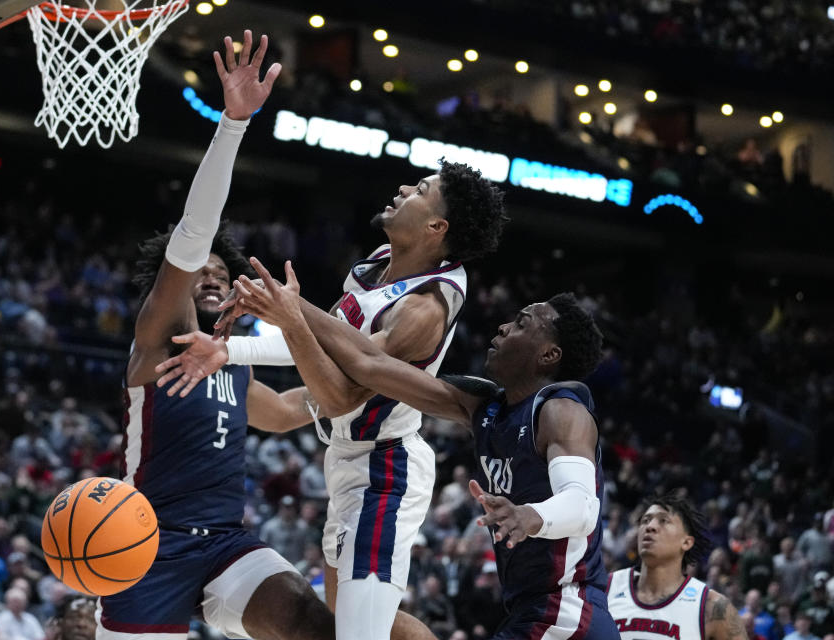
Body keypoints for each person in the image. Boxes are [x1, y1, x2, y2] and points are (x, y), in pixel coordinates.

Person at [156, 158, 506, 640]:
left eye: (420, 188)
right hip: (347, 459)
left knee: (356, 636)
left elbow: (342, 394)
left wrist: (290, 311)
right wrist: (228, 348)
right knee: (351, 624)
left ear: (435, 226)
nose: (404, 187)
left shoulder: (423, 309)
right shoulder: (380, 261)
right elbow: (324, 343)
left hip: (387, 472)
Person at [185, 260, 616, 639]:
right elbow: (370, 366)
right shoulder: (482, 405)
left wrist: (530, 516)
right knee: (346, 617)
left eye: (522, 324)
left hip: (567, 611)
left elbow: (582, 508)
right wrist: (250, 338)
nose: (504, 326)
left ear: (549, 354)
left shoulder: (562, 410)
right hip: (528, 609)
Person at [96, 30, 334, 640]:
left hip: (226, 544)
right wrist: (232, 125)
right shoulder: (157, 340)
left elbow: (281, 413)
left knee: (308, 620)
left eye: (221, 274)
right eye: (199, 270)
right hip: (144, 543)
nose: (210, 276)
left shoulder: (234, 360)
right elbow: (193, 236)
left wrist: (349, 391)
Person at [607, 493, 748, 639]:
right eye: (645, 520)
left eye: (663, 521)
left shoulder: (713, 607)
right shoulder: (606, 588)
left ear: (686, 542)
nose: (650, 526)